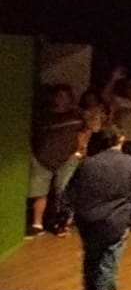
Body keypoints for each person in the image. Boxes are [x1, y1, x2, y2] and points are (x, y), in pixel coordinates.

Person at [61, 127, 131, 290]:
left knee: (91, 258)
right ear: (121, 139)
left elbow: (69, 192)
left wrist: (66, 218)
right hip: (117, 221)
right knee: (109, 262)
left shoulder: (86, 164)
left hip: (87, 222)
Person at [29, 84, 85, 236]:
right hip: (43, 157)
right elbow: (34, 136)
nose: (63, 100)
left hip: (68, 157)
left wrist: (79, 151)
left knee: (62, 190)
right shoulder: (43, 117)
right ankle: (37, 224)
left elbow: (84, 132)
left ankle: (60, 222)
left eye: (66, 96)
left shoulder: (76, 116)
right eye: (60, 96)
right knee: (40, 192)